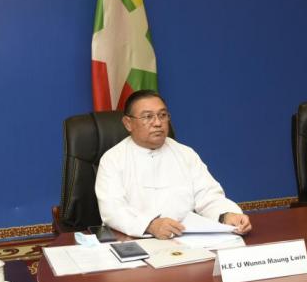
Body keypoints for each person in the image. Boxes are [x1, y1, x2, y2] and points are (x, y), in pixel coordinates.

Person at [95, 89, 251, 239]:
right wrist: (150, 225)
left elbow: (208, 196)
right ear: (128, 123)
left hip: (185, 239)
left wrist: (226, 215)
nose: (158, 123)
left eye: (162, 115)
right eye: (148, 116)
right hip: (135, 241)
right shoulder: (113, 159)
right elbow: (113, 210)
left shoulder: (185, 154)